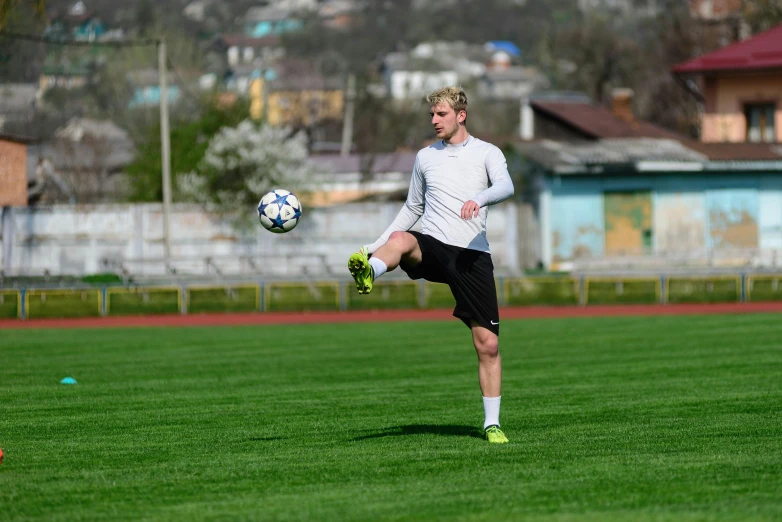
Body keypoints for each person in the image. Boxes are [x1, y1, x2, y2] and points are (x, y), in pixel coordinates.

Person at [347, 86, 515, 444]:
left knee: (488, 345)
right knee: (401, 241)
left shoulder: (487, 152)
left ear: (460, 115)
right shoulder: (425, 157)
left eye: (441, 114)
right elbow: (412, 209)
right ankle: (371, 271)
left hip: (472, 256)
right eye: (432, 115)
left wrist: (479, 198)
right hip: (434, 245)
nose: (435, 121)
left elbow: (506, 185)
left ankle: (491, 424)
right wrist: (371, 247)